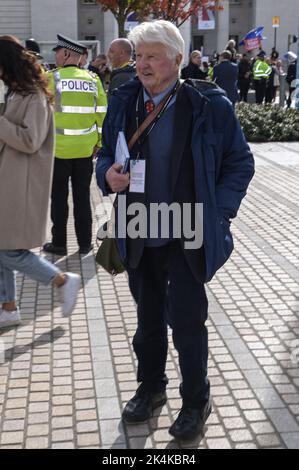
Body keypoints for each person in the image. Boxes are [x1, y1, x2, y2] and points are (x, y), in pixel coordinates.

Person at [96, 20, 254, 441]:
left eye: (152, 56)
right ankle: (150, 388)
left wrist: (218, 215)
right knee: (147, 322)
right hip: (138, 226)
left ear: (178, 60)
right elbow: (104, 156)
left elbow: (240, 163)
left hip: (187, 230)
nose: (142, 64)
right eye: (139, 55)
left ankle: (196, 400)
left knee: (187, 324)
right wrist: (105, 176)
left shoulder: (207, 105)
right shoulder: (125, 100)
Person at [0, 35, 80, 329]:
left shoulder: (33, 96)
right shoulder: (15, 93)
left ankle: (61, 279)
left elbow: (30, 140)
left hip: (21, 185)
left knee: (9, 250)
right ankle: (8, 307)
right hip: (9, 182)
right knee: (1, 247)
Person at [43, 34, 107, 256]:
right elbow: (102, 115)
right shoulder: (92, 79)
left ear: (67, 54)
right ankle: (84, 244)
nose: (56, 56)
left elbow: (41, 114)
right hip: (85, 151)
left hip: (58, 151)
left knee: (58, 198)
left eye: (58, 52)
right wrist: (98, 143)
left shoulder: (51, 78)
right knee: (82, 198)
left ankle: (59, 243)